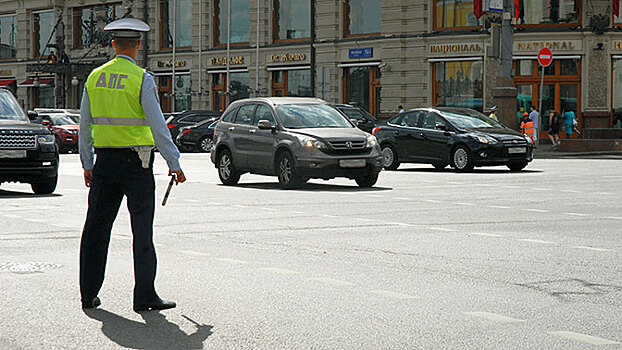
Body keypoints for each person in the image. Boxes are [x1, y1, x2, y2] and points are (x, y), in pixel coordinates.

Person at [78, 18, 186, 312]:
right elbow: (158, 124)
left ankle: (88, 294)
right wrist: (174, 162)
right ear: (138, 46)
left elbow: (84, 125)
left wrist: (87, 163)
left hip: (104, 163)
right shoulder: (141, 78)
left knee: (96, 228)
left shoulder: (94, 77)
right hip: (137, 164)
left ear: (113, 44)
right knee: (141, 230)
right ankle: (144, 296)